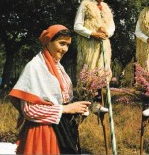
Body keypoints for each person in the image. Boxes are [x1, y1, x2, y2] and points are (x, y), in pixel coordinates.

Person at [9, 25, 91, 154]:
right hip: (43, 133)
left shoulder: (59, 67)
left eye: (68, 45)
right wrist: (65, 109)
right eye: (62, 43)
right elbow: (29, 110)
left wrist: (79, 108)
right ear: (48, 41)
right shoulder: (35, 67)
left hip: (62, 130)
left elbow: (62, 99)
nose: (65, 49)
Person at [74, 0, 115, 113]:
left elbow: (112, 27)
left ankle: (97, 103)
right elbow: (77, 26)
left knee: (101, 72)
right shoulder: (86, 5)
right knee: (88, 72)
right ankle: (85, 103)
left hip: (103, 44)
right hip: (89, 45)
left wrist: (106, 32)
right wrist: (92, 33)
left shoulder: (106, 8)